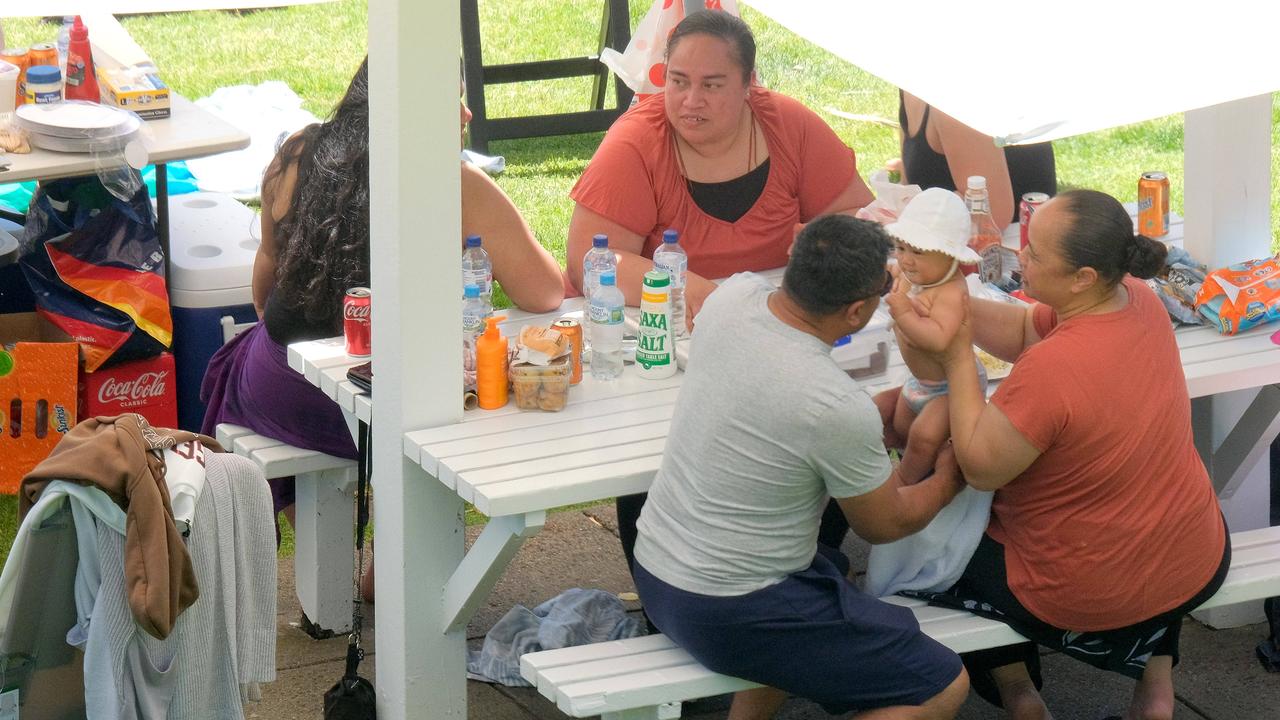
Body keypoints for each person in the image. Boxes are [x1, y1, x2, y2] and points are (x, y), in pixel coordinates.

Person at [202, 58, 564, 561]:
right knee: (464, 406)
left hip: (278, 384)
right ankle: (395, 567)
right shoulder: (457, 185)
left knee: (255, 353)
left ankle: (325, 554)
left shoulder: (300, 150)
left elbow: (266, 278)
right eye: (450, 100)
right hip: (392, 405)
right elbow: (545, 291)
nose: (465, 114)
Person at [566, 8, 874, 578]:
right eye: (679, 82)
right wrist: (704, 293)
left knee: (828, 428)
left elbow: (854, 217)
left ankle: (808, 563)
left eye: (712, 85)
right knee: (660, 451)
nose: (691, 100)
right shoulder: (637, 141)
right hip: (673, 343)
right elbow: (591, 261)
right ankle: (666, 575)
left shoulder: (789, 126)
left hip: (792, 333)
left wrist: (826, 244)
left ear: (749, 85)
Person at [633, 215, 969, 720]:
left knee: (831, 567)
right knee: (940, 683)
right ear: (857, 311)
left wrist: (854, 435)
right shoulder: (832, 404)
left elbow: (776, 413)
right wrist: (952, 475)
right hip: (731, 609)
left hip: (657, 571)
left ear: (795, 260)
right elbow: (884, 525)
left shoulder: (733, 298)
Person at [929, 189, 1228, 719]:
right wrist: (955, 306)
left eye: (1036, 253)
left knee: (948, 542)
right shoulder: (1137, 298)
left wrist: (956, 354)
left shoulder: (1053, 369)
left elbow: (979, 467)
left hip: (1091, 590)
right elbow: (1027, 328)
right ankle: (1156, 691)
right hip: (1194, 556)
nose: (1021, 254)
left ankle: (1020, 693)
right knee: (1148, 502)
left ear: (1083, 277)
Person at [880, 188, 984, 484]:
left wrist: (904, 314)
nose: (906, 260)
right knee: (902, 427)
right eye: (901, 249)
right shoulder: (912, 275)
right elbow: (892, 271)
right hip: (920, 382)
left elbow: (938, 339)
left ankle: (903, 487)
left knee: (924, 436)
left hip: (950, 388)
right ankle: (908, 461)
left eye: (918, 252)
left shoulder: (951, 292)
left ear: (950, 257)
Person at [897, 90, 1056, 225]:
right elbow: (909, 185)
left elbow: (990, 217)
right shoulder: (911, 86)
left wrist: (910, 217)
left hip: (1011, 246)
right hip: (940, 242)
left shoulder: (956, 99)